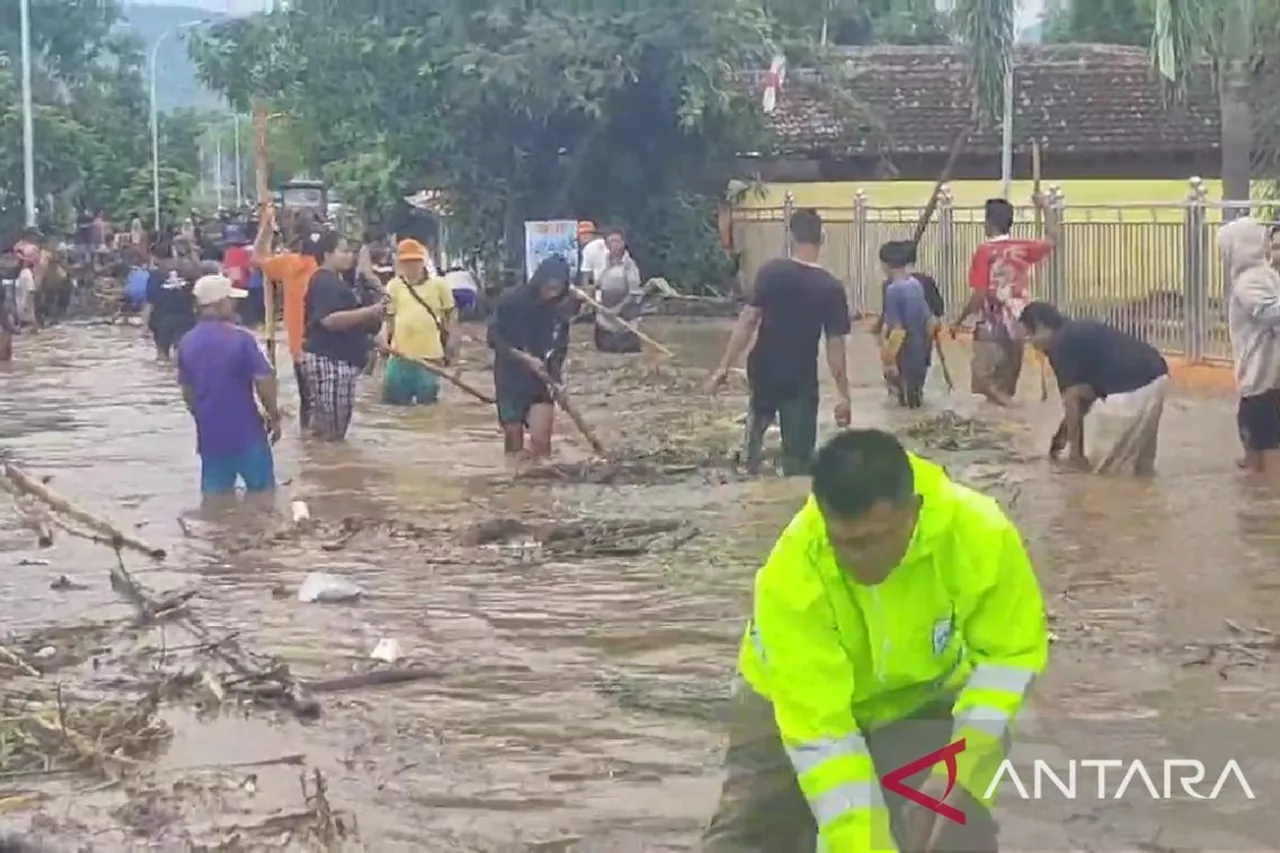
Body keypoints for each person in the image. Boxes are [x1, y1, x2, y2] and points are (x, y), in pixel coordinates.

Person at [701, 429, 1048, 853]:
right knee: (749, 834)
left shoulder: (980, 534)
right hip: (789, 701)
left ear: (913, 512)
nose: (856, 560)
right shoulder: (794, 570)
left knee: (955, 829)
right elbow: (823, 737)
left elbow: (1009, 658)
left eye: (871, 541)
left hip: (919, 696)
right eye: (842, 543)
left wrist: (964, 764)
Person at [706, 207, 852, 475]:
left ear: (792, 237)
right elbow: (835, 350)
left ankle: (746, 479)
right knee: (799, 460)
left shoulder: (771, 272)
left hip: (763, 369)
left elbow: (747, 321)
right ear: (823, 239)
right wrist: (844, 395)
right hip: (800, 378)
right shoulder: (831, 288)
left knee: (754, 437)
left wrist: (723, 367)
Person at [1020, 301, 1169, 475]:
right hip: (1157, 378)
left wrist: (1075, 456)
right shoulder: (1075, 331)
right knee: (1139, 466)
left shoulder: (1059, 345)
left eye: (1029, 335)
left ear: (1040, 326)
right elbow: (1085, 394)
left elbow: (1072, 400)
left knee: (1109, 472)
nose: (1031, 344)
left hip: (1130, 388)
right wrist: (1062, 436)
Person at [176, 275, 281, 497]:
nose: (235, 305)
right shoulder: (241, 339)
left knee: (215, 501)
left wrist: (203, 416)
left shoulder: (186, 342)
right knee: (263, 497)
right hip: (247, 433)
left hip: (210, 437)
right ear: (220, 304)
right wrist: (274, 415)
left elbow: (188, 394)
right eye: (231, 300)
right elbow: (265, 380)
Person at [951, 198, 1054, 407]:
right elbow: (1053, 239)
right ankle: (1007, 418)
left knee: (982, 382)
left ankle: (1013, 412)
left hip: (991, 323)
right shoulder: (1023, 247)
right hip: (1020, 323)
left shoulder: (984, 252)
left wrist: (959, 320)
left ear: (989, 222)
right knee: (1005, 387)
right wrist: (1045, 207)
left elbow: (979, 293)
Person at [299, 231, 382, 441]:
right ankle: (329, 469)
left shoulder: (332, 281)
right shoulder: (326, 282)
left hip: (333, 359)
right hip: (332, 361)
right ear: (327, 254)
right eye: (343, 251)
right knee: (334, 433)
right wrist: (371, 311)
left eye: (350, 252)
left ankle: (321, 467)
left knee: (327, 426)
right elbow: (330, 320)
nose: (349, 256)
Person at [488, 256, 573, 457]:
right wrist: (523, 358)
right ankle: (516, 481)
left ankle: (542, 484)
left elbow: (559, 350)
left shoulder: (560, 313)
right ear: (539, 281)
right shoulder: (511, 302)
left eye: (557, 289)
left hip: (541, 381)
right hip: (509, 378)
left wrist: (557, 381)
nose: (551, 294)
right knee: (513, 435)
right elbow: (493, 338)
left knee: (541, 439)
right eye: (548, 287)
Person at [1218, 218, 1280, 477]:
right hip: (1270, 377)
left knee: (1265, 457)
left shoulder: (1248, 282)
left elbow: (1270, 312)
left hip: (1259, 380)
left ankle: (1266, 512)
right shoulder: (1267, 276)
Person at [254, 206, 319, 431]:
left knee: (309, 405)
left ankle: (309, 445)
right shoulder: (327, 265)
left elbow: (259, 257)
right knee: (319, 408)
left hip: (301, 347)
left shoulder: (290, 264)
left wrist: (266, 228)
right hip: (324, 348)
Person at [378, 238, 457, 405]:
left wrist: (452, 340)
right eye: (406, 262)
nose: (411, 266)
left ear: (423, 262)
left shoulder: (439, 285)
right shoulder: (393, 286)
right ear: (399, 264)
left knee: (427, 406)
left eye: (415, 261)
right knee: (393, 406)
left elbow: (451, 314)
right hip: (399, 357)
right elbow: (389, 318)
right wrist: (384, 338)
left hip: (430, 358)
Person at [879, 240, 940, 409]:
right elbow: (928, 319)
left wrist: (889, 360)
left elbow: (897, 329)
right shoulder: (915, 284)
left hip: (904, 351)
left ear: (886, 265)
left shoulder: (892, 290)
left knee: (903, 401)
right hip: (920, 348)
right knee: (916, 397)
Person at [592, 227, 644, 353]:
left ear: (623, 243)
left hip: (625, 322)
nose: (614, 245)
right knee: (604, 353)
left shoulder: (629, 265)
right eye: (611, 241)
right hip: (605, 320)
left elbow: (634, 294)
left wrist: (617, 309)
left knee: (627, 354)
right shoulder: (604, 262)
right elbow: (599, 285)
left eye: (617, 241)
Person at [144, 239, 197, 362]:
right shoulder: (188, 271)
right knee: (182, 356)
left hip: (161, 320)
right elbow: (196, 296)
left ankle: (163, 378)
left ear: (155, 258)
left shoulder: (155, 275)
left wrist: (144, 325)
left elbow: (149, 302)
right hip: (185, 319)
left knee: (162, 357)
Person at [579, 220, 608, 291]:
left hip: (601, 289)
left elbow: (586, 275)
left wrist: (586, 292)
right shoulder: (608, 243)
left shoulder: (588, 248)